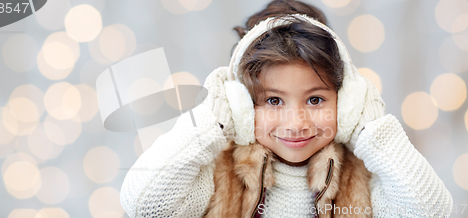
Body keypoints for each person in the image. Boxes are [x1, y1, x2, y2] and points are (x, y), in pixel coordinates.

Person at [120, 0, 453, 217]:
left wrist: (373, 130)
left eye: (315, 99)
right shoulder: (217, 173)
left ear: (348, 100)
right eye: (274, 100)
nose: (296, 123)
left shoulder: (365, 177)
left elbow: (431, 211)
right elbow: (145, 205)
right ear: (240, 106)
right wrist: (209, 122)